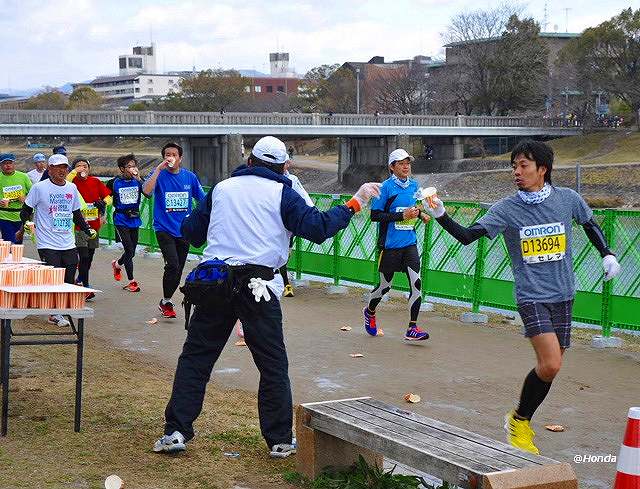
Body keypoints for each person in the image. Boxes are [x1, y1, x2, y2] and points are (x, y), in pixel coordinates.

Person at [152, 135, 380, 457]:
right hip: (258, 285)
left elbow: (192, 233)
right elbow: (317, 228)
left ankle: (176, 431)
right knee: (272, 364)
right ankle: (279, 440)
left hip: (215, 281)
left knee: (197, 359)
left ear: (249, 162)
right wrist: (355, 202)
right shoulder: (283, 193)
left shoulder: (221, 189)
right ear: (283, 167)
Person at [424, 139, 621, 454]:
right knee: (552, 364)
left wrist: (607, 253)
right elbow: (466, 237)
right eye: (514, 166)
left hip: (564, 294)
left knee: (549, 367)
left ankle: (519, 418)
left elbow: (590, 224)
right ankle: (519, 423)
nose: (516, 172)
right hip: (531, 295)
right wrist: (442, 215)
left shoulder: (567, 199)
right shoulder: (506, 209)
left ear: (542, 169)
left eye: (523, 165)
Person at [18, 154, 97, 327]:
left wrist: (86, 228)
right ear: (50, 169)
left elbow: (76, 213)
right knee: (54, 275)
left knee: (69, 276)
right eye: (58, 167)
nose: (62, 170)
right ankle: (54, 313)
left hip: (67, 241)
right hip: (46, 241)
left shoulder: (71, 188)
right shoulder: (39, 188)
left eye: (65, 167)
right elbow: (25, 210)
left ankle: (60, 308)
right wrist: (25, 224)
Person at [363, 149, 430, 341]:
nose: (406, 166)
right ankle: (370, 311)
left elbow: (414, 206)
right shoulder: (384, 188)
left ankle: (412, 328)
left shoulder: (415, 185)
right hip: (390, 245)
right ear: (392, 167)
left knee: (416, 284)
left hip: (409, 243)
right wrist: (401, 216)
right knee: (385, 287)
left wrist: (421, 214)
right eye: (401, 163)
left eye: (408, 162)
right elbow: (375, 216)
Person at [142, 142, 205, 318]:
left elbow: (202, 199)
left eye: (174, 154)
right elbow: (146, 192)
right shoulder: (159, 175)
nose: (170, 157)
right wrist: (157, 170)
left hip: (184, 229)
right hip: (163, 228)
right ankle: (167, 301)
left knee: (178, 268)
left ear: (180, 158)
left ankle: (165, 301)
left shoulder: (190, 177)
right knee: (173, 265)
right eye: (167, 154)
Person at [69, 157, 111, 297]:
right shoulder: (71, 183)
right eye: (78, 166)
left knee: (90, 256)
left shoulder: (95, 181)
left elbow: (108, 197)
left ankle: (80, 279)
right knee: (84, 256)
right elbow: (66, 183)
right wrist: (74, 172)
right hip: (78, 226)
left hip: (94, 225)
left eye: (85, 166)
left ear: (89, 168)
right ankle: (86, 287)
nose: (82, 168)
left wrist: (103, 203)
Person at [280, 157, 313, 297]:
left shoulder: (292, 179)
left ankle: (283, 281)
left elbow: (304, 197)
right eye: (284, 162)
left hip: (286, 223)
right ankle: (286, 283)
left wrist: (312, 213)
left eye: (287, 162)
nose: (287, 165)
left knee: (285, 253)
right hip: (271, 222)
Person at [111, 154, 144, 292]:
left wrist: (140, 180)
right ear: (122, 169)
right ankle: (132, 281)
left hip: (134, 218)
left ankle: (117, 264)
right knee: (129, 249)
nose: (132, 169)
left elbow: (149, 193)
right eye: (129, 166)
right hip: (121, 219)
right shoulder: (114, 182)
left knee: (132, 252)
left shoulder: (138, 181)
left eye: (134, 166)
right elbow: (104, 196)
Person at [0, 153, 32, 244]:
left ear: (14, 164)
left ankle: (15, 257)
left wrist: (25, 198)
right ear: (1, 165)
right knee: (9, 241)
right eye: (5, 163)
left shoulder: (23, 176)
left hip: (21, 215)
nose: (8, 165)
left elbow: (33, 193)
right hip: (4, 215)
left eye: (10, 163)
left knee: (18, 242)